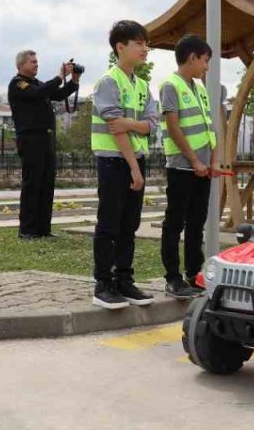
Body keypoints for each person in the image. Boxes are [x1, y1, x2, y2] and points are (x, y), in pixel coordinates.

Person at [91, 20, 161, 309]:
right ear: (120, 47)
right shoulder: (108, 82)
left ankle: (124, 280)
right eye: (139, 43)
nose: (145, 49)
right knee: (109, 224)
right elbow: (114, 128)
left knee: (129, 225)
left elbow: (152, 124)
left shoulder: (142, 86)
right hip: (114, 162)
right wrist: (133, 167)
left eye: (146, 44)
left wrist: (131, 124)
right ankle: (103, 284)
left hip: (136, 161)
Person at [158, 35, 219, 299]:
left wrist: (213, 160)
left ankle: (194, 274)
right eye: (205, 60)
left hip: (203, 168)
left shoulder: (199, 88)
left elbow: (209, 126)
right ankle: (172, 277)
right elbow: (173, 127)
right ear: (192, 57)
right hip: (182, 167)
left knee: (197, 222)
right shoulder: (170, 85)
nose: (207, 67)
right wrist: (194, 160)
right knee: (175, 223)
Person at [8, 50, 80, 240]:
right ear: (21, 65)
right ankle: (27, 229)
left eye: (37, 61)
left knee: (46, 184)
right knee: (32, 184)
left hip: (46, 140)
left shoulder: (37, 84)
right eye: (32, 62)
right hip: (30, 139)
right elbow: (38, 93)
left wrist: (74, 81)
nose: (36, 64)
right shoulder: (18, 84)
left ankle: (43, 229)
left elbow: (58, 94)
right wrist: (59, 76)